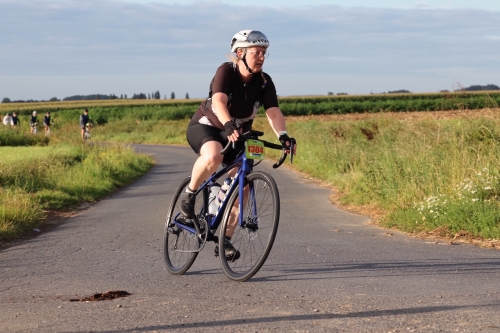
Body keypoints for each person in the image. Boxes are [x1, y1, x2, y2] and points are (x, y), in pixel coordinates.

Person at [180, 30, 296, 259]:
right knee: (213, 156)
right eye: (257, 52)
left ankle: (224, 240)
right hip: (208, 126)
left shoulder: (264, 81)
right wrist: (228, 124)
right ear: (240, 53)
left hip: (238, 133)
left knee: (242, 185)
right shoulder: (226, 71)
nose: (262, 57)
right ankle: (190, 194)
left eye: (264, 53)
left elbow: (273, 112)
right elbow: (219, 101)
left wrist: (283, 136)